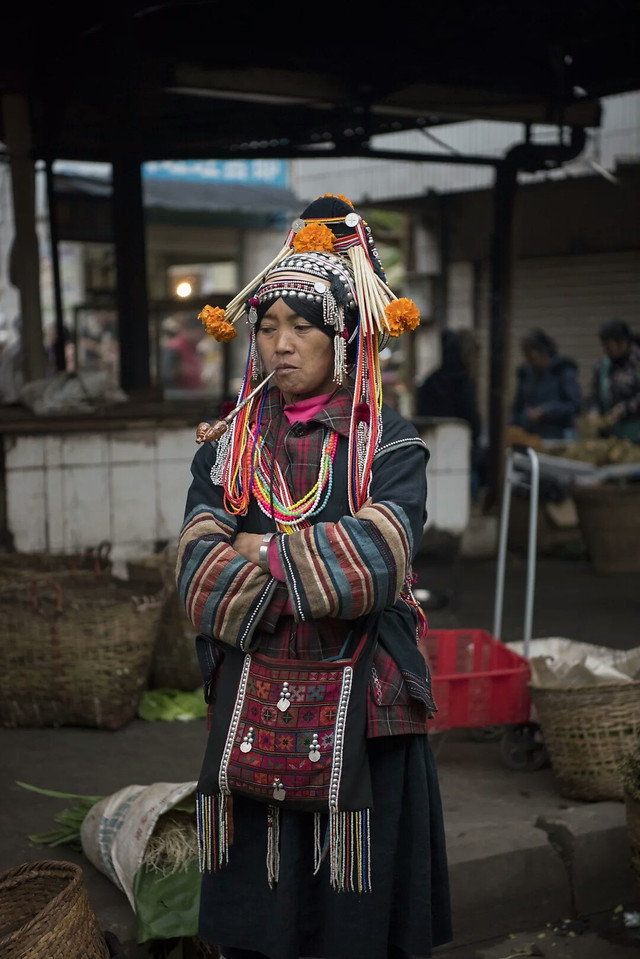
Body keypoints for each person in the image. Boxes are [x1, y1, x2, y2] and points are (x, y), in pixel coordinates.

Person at [176, 193, 452, 959]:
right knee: (263, 916)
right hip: (254, 700)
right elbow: (195, 571)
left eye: (302, 326)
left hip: (369, 706)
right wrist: (311, 568)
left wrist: (261, 549)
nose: (280, 344)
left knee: (355, 917)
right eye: (267, 327)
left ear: (342, 337)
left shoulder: (388, 447)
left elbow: (381, 560)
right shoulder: (227, 450)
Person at [509, 328, 581, 440]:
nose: (528, 361)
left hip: (558, 437)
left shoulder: (561, 370)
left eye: (531, 356)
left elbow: (574, 405)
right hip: (531, 437)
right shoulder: (526, 374)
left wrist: (545, 411)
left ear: (542, 352)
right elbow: (517, 407)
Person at [587, 319, 640, 443]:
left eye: (609, 346)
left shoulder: (636, 364)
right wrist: (593, 412)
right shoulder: (602, 367)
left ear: (623, 343)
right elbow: (594, 396)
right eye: (604, 346)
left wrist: (625, 409)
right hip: (613, 437)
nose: (606, 350)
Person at [161, 311, 205, 390]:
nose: (202, 336)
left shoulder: (191, 346)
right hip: (180, 397)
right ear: (189, 330)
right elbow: (167, 375)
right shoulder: (174, 348)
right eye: (200, 332)